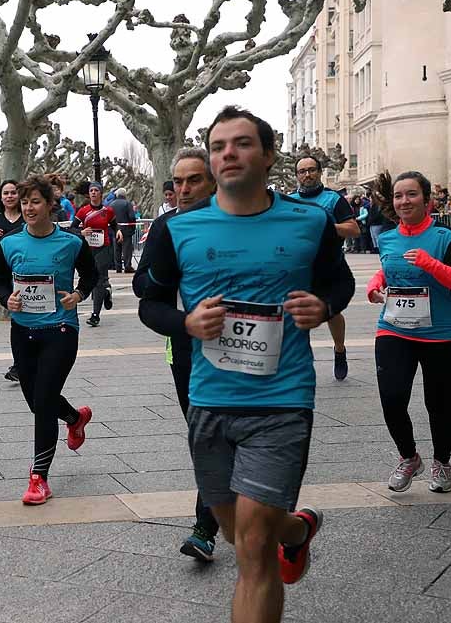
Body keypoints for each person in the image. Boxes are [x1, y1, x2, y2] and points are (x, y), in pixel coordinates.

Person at [138, 106, 355, 622]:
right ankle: (298, 530)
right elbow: (151, 302)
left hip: (282, 401)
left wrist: (324, 306)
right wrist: (185, 324)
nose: (228, 154)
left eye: (241, 144)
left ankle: (283, 534)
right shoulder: (179, 229)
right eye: (218, 146)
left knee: (253, 550)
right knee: (239, 532)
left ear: (269, 154)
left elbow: (339, 281)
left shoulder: (310, 221)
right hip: (208, 400)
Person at [133, 146, 220, 562]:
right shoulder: (167, 227)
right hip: (188, 347)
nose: (183, 190)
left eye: (194, 180)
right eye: (178, 182)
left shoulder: (245, 221)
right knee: (203, 434)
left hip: (256, 347)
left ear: (215, 179)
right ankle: (208, 522)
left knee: (251, 433)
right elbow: (144, 291)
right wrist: (168, 274)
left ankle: (225, 515)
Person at [0, 175, 97, 505]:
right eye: (24, 202)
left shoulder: (71, 241)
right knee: (38, 402)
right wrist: (6, 298)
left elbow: (92, 275)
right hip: (23, 332)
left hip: (61, 330)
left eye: (35, 201)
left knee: (44, 400)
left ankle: (39, 478)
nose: (28, 208)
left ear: (50, 204)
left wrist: (78, 295)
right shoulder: (9, 243)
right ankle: (75, 418)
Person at [367, 171, 451, 494]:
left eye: (411, 195)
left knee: (438, 405)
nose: (404, 201)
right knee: (392, 398)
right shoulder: (386, 238)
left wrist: (431, 264)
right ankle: (409, 457)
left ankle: (442, 463)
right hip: (394, 329)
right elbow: (387, 269)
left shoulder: (443, 238)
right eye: (399, 196)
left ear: (427, 201)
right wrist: (375, 286)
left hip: (442, 335)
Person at [292, 155, 360, 381]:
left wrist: (326, 226)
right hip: (298, 268)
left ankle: (339, 350)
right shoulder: (289, 200)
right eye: (302, 171)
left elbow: (353, 230)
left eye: (312, 170)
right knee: (296, 315)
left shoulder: (334, 199)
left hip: (329, 266)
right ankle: (299, 361)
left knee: (332, 312)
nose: (307, 174)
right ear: (297, 175)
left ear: (320, 172)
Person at [0, 180, 25, 382]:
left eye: (13, 192)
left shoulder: (28, 216)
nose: (10, 196)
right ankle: (21, 363)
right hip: (3, 276)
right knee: (16, 317)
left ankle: (21, 363)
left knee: (23, 318)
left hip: (27, 273)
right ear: (0, 197)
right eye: (6, 193)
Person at [71, 183, 122, 327]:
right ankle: (106, 292)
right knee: (90, 278)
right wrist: (81, 232)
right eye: (91, 190)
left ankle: (95, 315)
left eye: (96, 190)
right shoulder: (83, 211)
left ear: (101, 193)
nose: (93, 193)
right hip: (88, 249)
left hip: (103, 248)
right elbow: (72, 227)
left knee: (98, 279)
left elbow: (114, 224)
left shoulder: (108, 211)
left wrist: (118, 231)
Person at [109, 188, 137, 273]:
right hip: (126, 229)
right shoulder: (127, 204)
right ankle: (127, 266)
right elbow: (132, 217)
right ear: (125, 195)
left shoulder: (111, 204)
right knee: (126, 249)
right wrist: (133, 227)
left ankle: (118, 267)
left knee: (117, 249)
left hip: (115, 229)